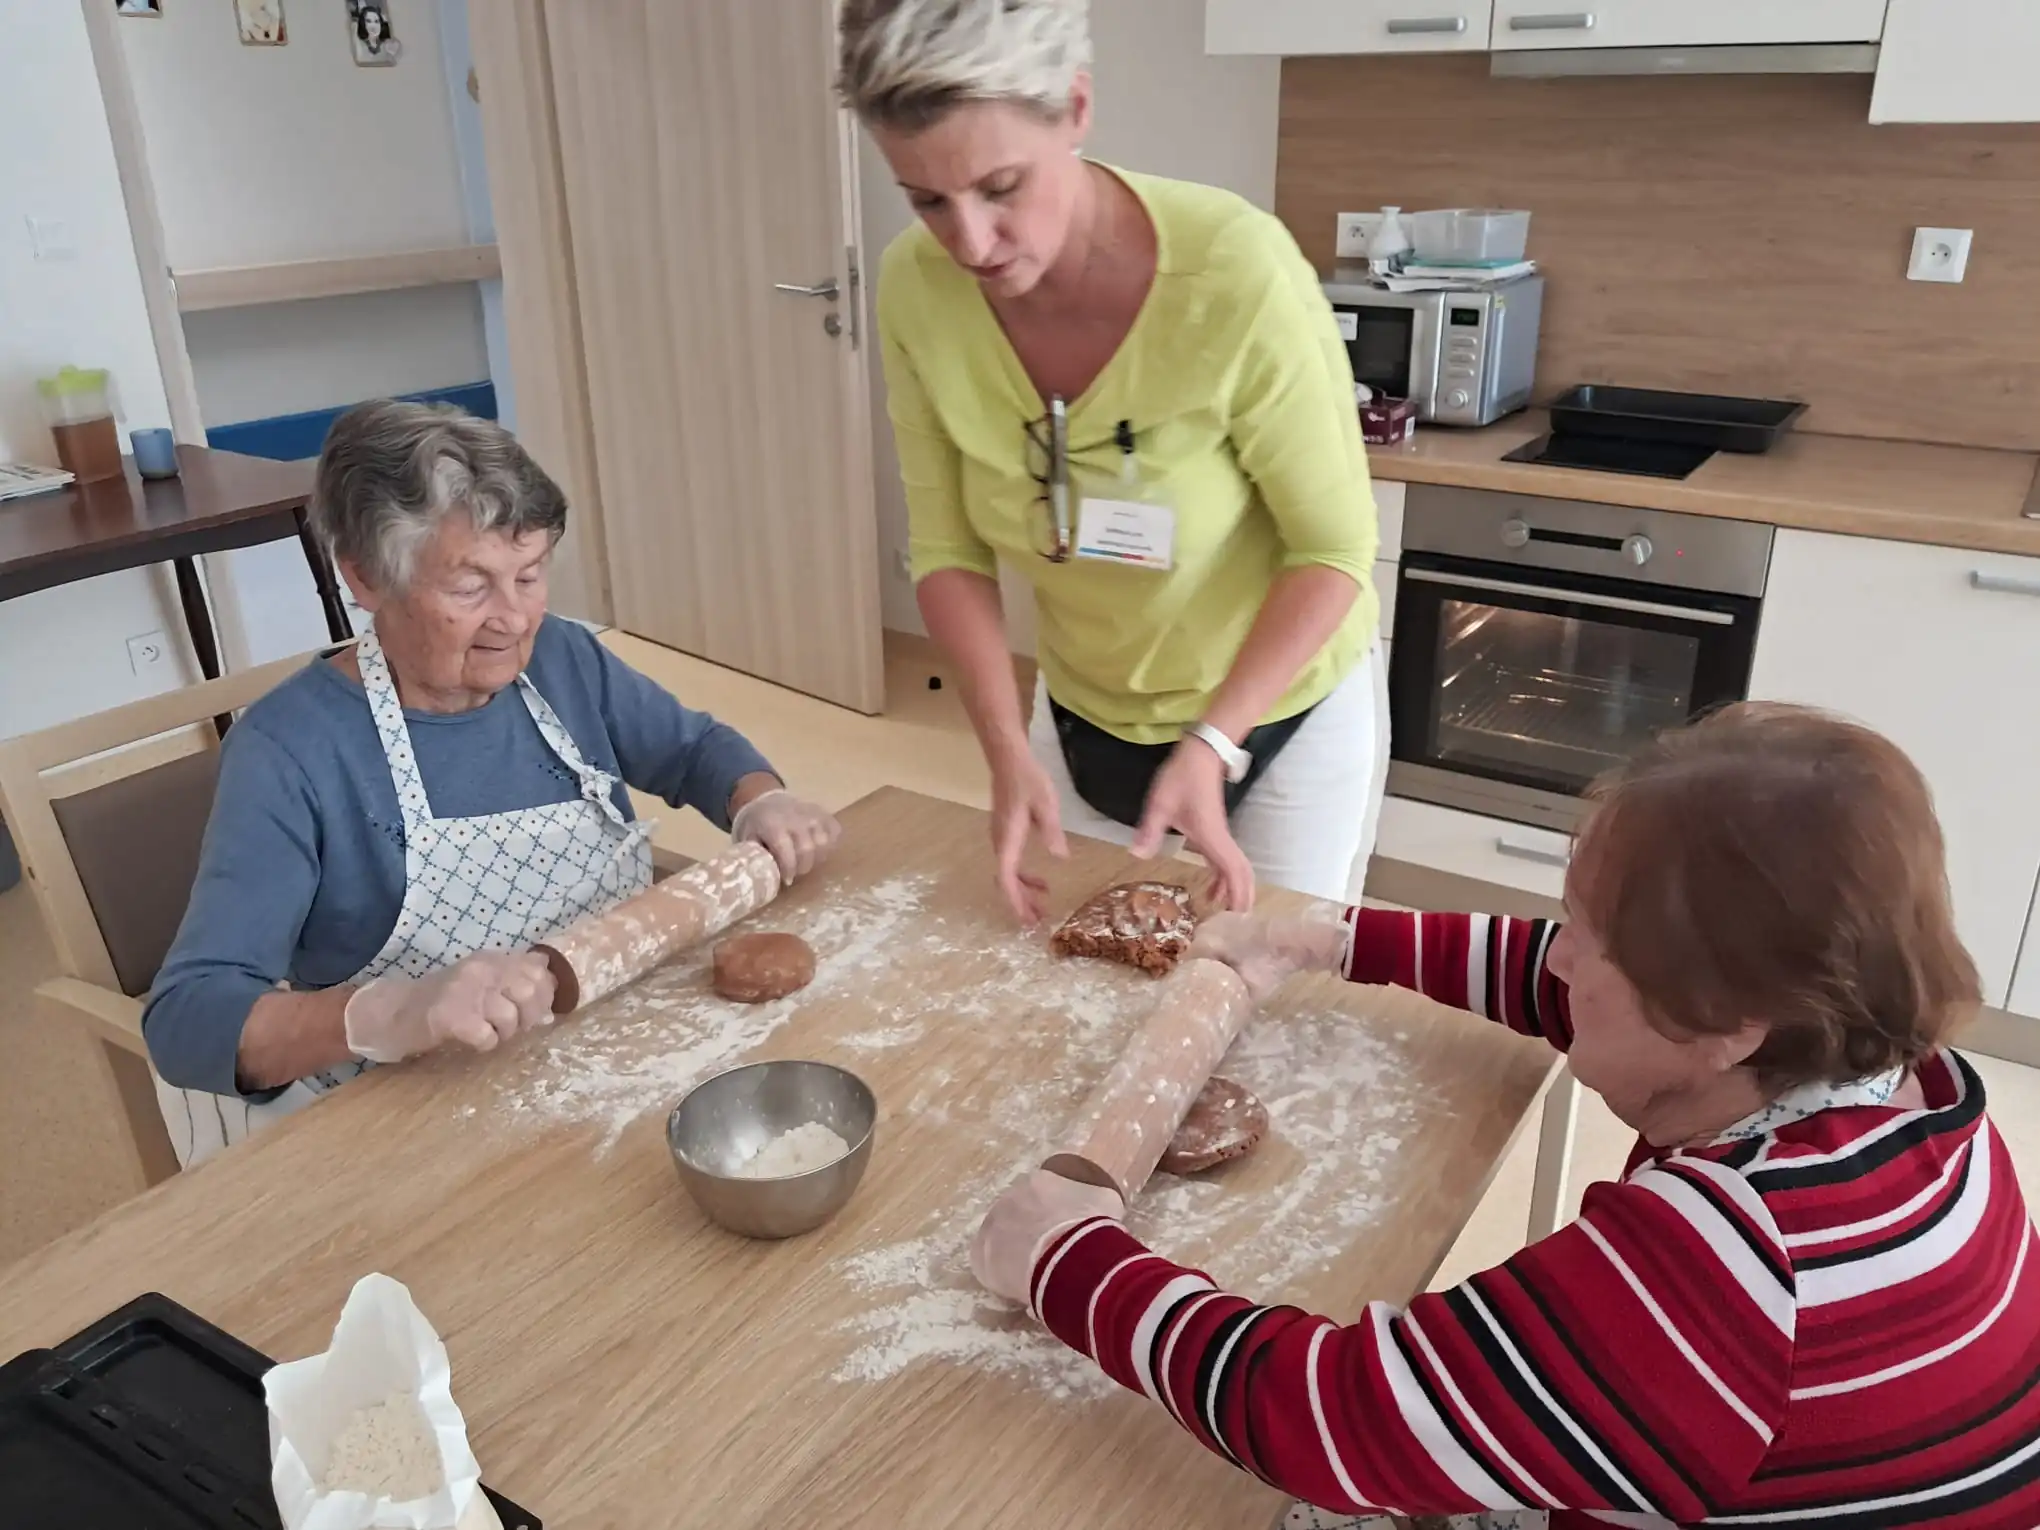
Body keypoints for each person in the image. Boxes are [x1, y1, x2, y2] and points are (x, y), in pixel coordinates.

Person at [972, 703, 2040, 1530]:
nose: (1557, 955)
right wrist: (1330, 940)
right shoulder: (1892, 1073)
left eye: (1586, 936)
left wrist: (1069, 1262)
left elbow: (1336, 1417)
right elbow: (1559, 985)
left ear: (1723, 1020)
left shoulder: (1727, 1267)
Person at [144, 402, 839, 1167]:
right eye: (471, 586)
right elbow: (187, 1021)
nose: (514, 619)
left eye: (530, 574)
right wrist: (396, 1014)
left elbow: (693, 749)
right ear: (365, 577)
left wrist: (759, 798)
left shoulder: (565, 659)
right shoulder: (290, 752)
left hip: (622, 1065)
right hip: (420, 1130)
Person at [840, 0, 1385, 922]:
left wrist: (1213, 742)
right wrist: (1006, 752)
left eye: (1001, 186)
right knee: (1077, 967)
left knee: (1262, 975)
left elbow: (1332, 552)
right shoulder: (914, 288)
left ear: (1077, 109)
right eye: (927, 201)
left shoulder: (1233, 271)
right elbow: (947, 551)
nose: (969, 243)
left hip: (1281, 709)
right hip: (1082, 708)